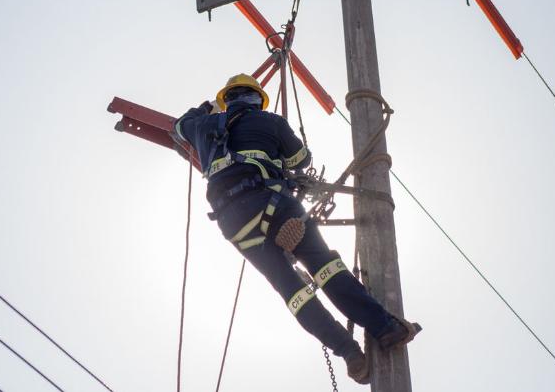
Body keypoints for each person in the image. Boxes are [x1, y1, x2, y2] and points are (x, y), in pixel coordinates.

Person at [172, 73, 420, 384]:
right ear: (256, 99)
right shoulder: (271, 122)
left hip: (234, 223)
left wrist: (206, 109)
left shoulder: (202, 126)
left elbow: (180, 125)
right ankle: (386, 328)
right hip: (274, 204)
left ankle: (349, 353)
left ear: (226, 99)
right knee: (325, 267)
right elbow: (301, 160)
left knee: (293, 293)